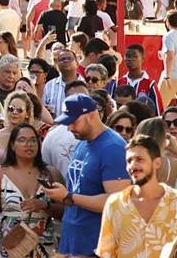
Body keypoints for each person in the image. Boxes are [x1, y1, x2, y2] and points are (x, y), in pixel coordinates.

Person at [42, 94, 131, 257]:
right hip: (72, 242)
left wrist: (69, 197)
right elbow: (80, 187)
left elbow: (117, 202)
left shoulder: (114, 148)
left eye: (74, 122)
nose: (69, 128)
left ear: (91, 115)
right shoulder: (83, 142)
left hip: (96, 246)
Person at [0, 123, 63, 257]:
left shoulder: (51, 174)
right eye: (22, 140)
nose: (28, 144)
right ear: (12, 145)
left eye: (33, 140)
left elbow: (65, 212)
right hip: (9, 248)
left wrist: (44, 205)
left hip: (43, 249)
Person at [97, 135, 177, 257]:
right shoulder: (115, 204)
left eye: (139, 159)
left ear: (157, 163)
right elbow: (106, 254)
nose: (133, 166)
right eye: (129, 161)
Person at [0, 91, 33, 164]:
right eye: (11, 108)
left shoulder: (32, 137)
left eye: (19, 110)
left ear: (27, 114)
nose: (14, 112)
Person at [118, 44, 163, 115]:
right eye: (128, 56)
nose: (130, 59)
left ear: (143, 59)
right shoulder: (119, 82)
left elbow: (158, 112)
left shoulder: (150, 84)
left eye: (135, 56)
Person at [42, 48, 82, 117]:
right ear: (57, 64)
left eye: (69, 58)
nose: (66, 61)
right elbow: (44, 111)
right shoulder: (50, 85)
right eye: (62, 59)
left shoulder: (86, 85)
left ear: (77, 63)